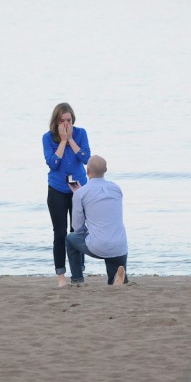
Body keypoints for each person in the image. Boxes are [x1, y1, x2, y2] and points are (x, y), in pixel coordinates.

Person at [42, 103, 91, 287]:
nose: (66, 124)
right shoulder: (47, 138)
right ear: (56, 121)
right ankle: (61, 276)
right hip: (57, 189)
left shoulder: (81, 133)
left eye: (68, 120)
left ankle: (78, 274)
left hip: (78, 188)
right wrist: (62, 141)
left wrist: (71, 140)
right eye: (62, 121)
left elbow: (86, 158)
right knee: (60, 233)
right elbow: (53, 163)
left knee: (78, 231)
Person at [66, 155, 128, 286]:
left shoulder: (81, 193)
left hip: (98, 246)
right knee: (114, 276)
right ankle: (117, 277)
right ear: (106, 169)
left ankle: (77, 280)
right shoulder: (116, 188)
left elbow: (77, 227)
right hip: (120, 245)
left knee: (70, 239)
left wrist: (78, 194)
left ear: (87, 171)